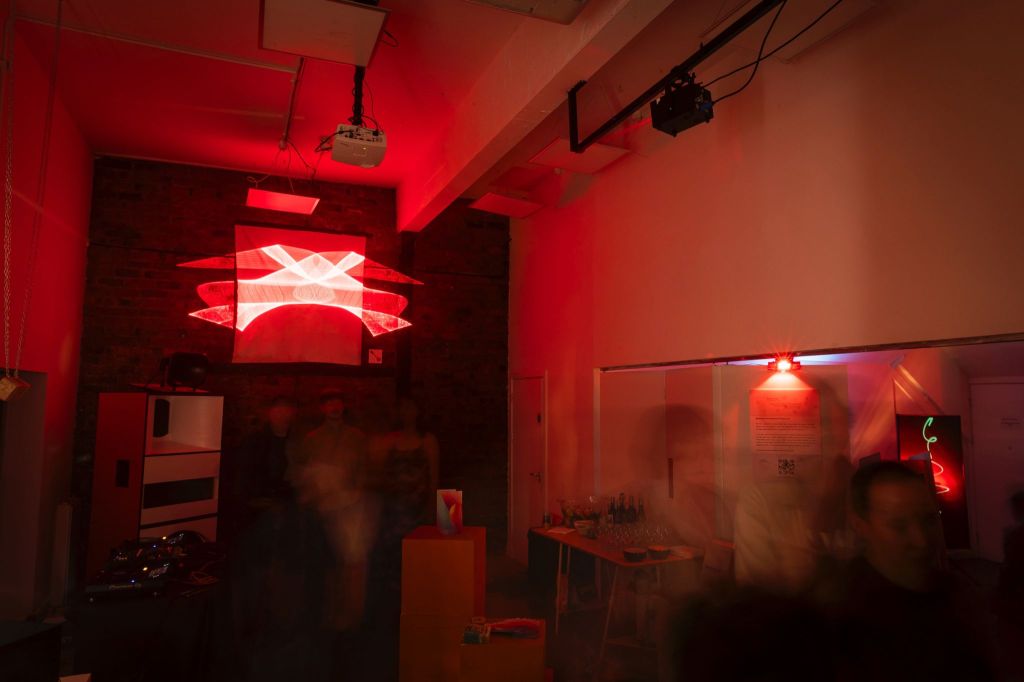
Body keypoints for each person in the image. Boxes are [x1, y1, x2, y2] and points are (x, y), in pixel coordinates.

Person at [815, 460, 995, 682]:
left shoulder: (958, 597)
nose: (921, 540)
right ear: (860, 526)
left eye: (929, 520)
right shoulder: (841, 615)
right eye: (898, 526)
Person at [295, 388, 369, 491]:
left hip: (349, 494)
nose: (335, 408)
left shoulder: (357, 436)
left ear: (343, 407)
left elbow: (363, 468)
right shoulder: (312, 438)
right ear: (322, 408)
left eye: (338, 403)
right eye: (330, 404)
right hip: (321, 495)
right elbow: (303, 468)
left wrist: (358, 490)